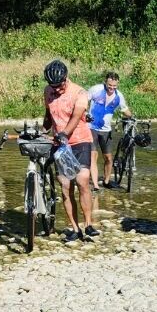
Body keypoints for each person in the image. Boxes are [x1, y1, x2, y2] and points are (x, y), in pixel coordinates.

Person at [43, 58, 98, 240]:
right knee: (66, 187)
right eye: (53, 86)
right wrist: (41, 131)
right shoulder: (48, 91)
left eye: (59, 86)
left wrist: (65, 133)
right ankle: (75, 229)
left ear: (66, 78)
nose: (56, 90)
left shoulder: (79, 93)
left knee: (82, 181)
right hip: (60, 145)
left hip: (80, 141)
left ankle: (88, 224)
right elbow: (48, 115)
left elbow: (76, 117)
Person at [88, 70, 134, 189]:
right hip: (91, 128)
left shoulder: (119, 96)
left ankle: (107, 181)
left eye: (114, 86)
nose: (112, 88)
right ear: (105, 82)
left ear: (117, 84)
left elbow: (124, 109)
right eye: (109, 85)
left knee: (108, 158)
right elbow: (83, 101)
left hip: (106, 130)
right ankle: (95, 185)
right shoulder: (96, 90)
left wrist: (132, 117)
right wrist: (83, 113)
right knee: (93, 156)